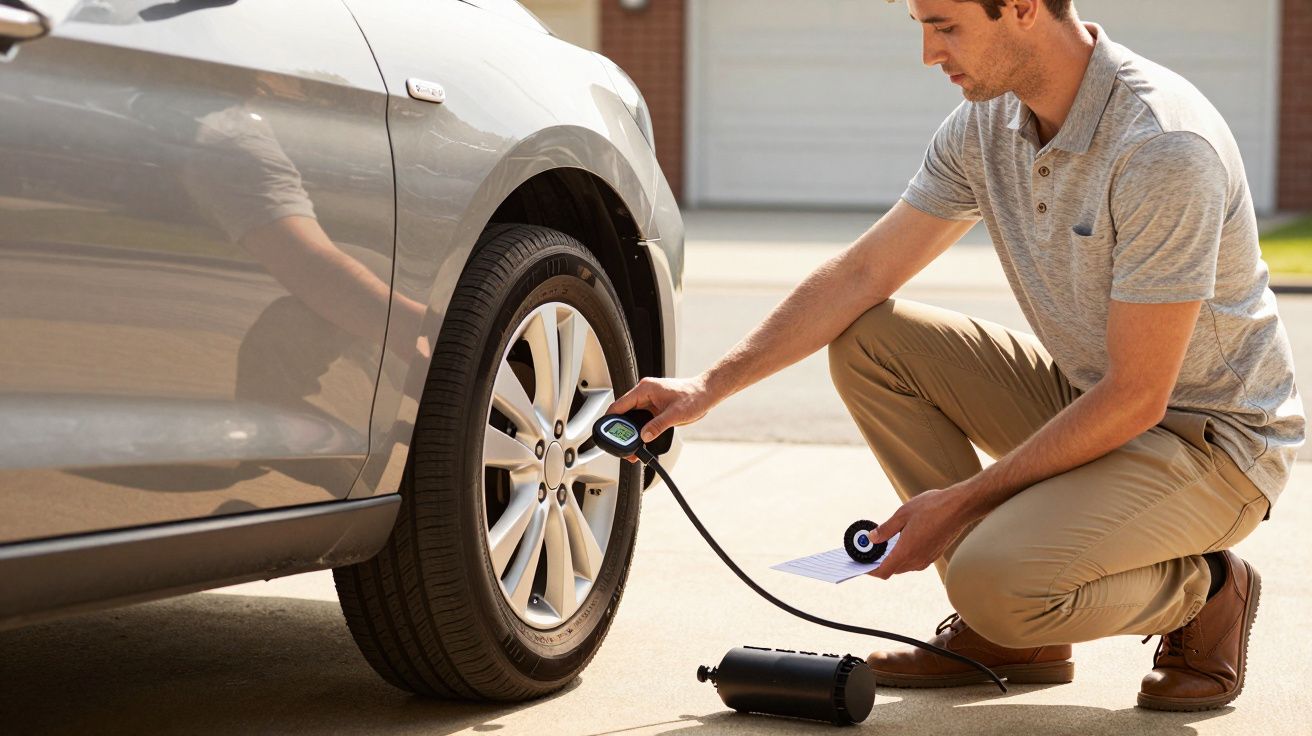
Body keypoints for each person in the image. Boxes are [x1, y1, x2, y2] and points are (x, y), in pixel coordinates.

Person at [607, 0, 1304, 713]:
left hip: (1213, 442)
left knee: (993, 580)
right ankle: (1014, 635)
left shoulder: (1159, 146)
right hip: (1093, 399)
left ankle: (1206, 591)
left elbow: (1138, 397)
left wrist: (961, 505)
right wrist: (707, 387)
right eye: (922, 27)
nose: (929, 54)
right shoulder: (989, 123)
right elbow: (860, 277)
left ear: (1025, 8)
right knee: (872, 340)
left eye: (945, 25)